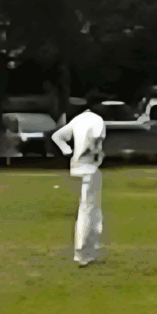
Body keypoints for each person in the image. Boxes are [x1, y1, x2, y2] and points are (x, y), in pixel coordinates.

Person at [50, 103, 108, 267]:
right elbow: (96, 140)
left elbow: (57, 136)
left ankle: (91, 250)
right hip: (89, 167)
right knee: (89, 211)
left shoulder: (78, 119)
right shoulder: (98, 120)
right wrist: (94, 154)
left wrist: (68, 151)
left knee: (88, 209)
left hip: (75, 168)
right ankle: (84, 253)